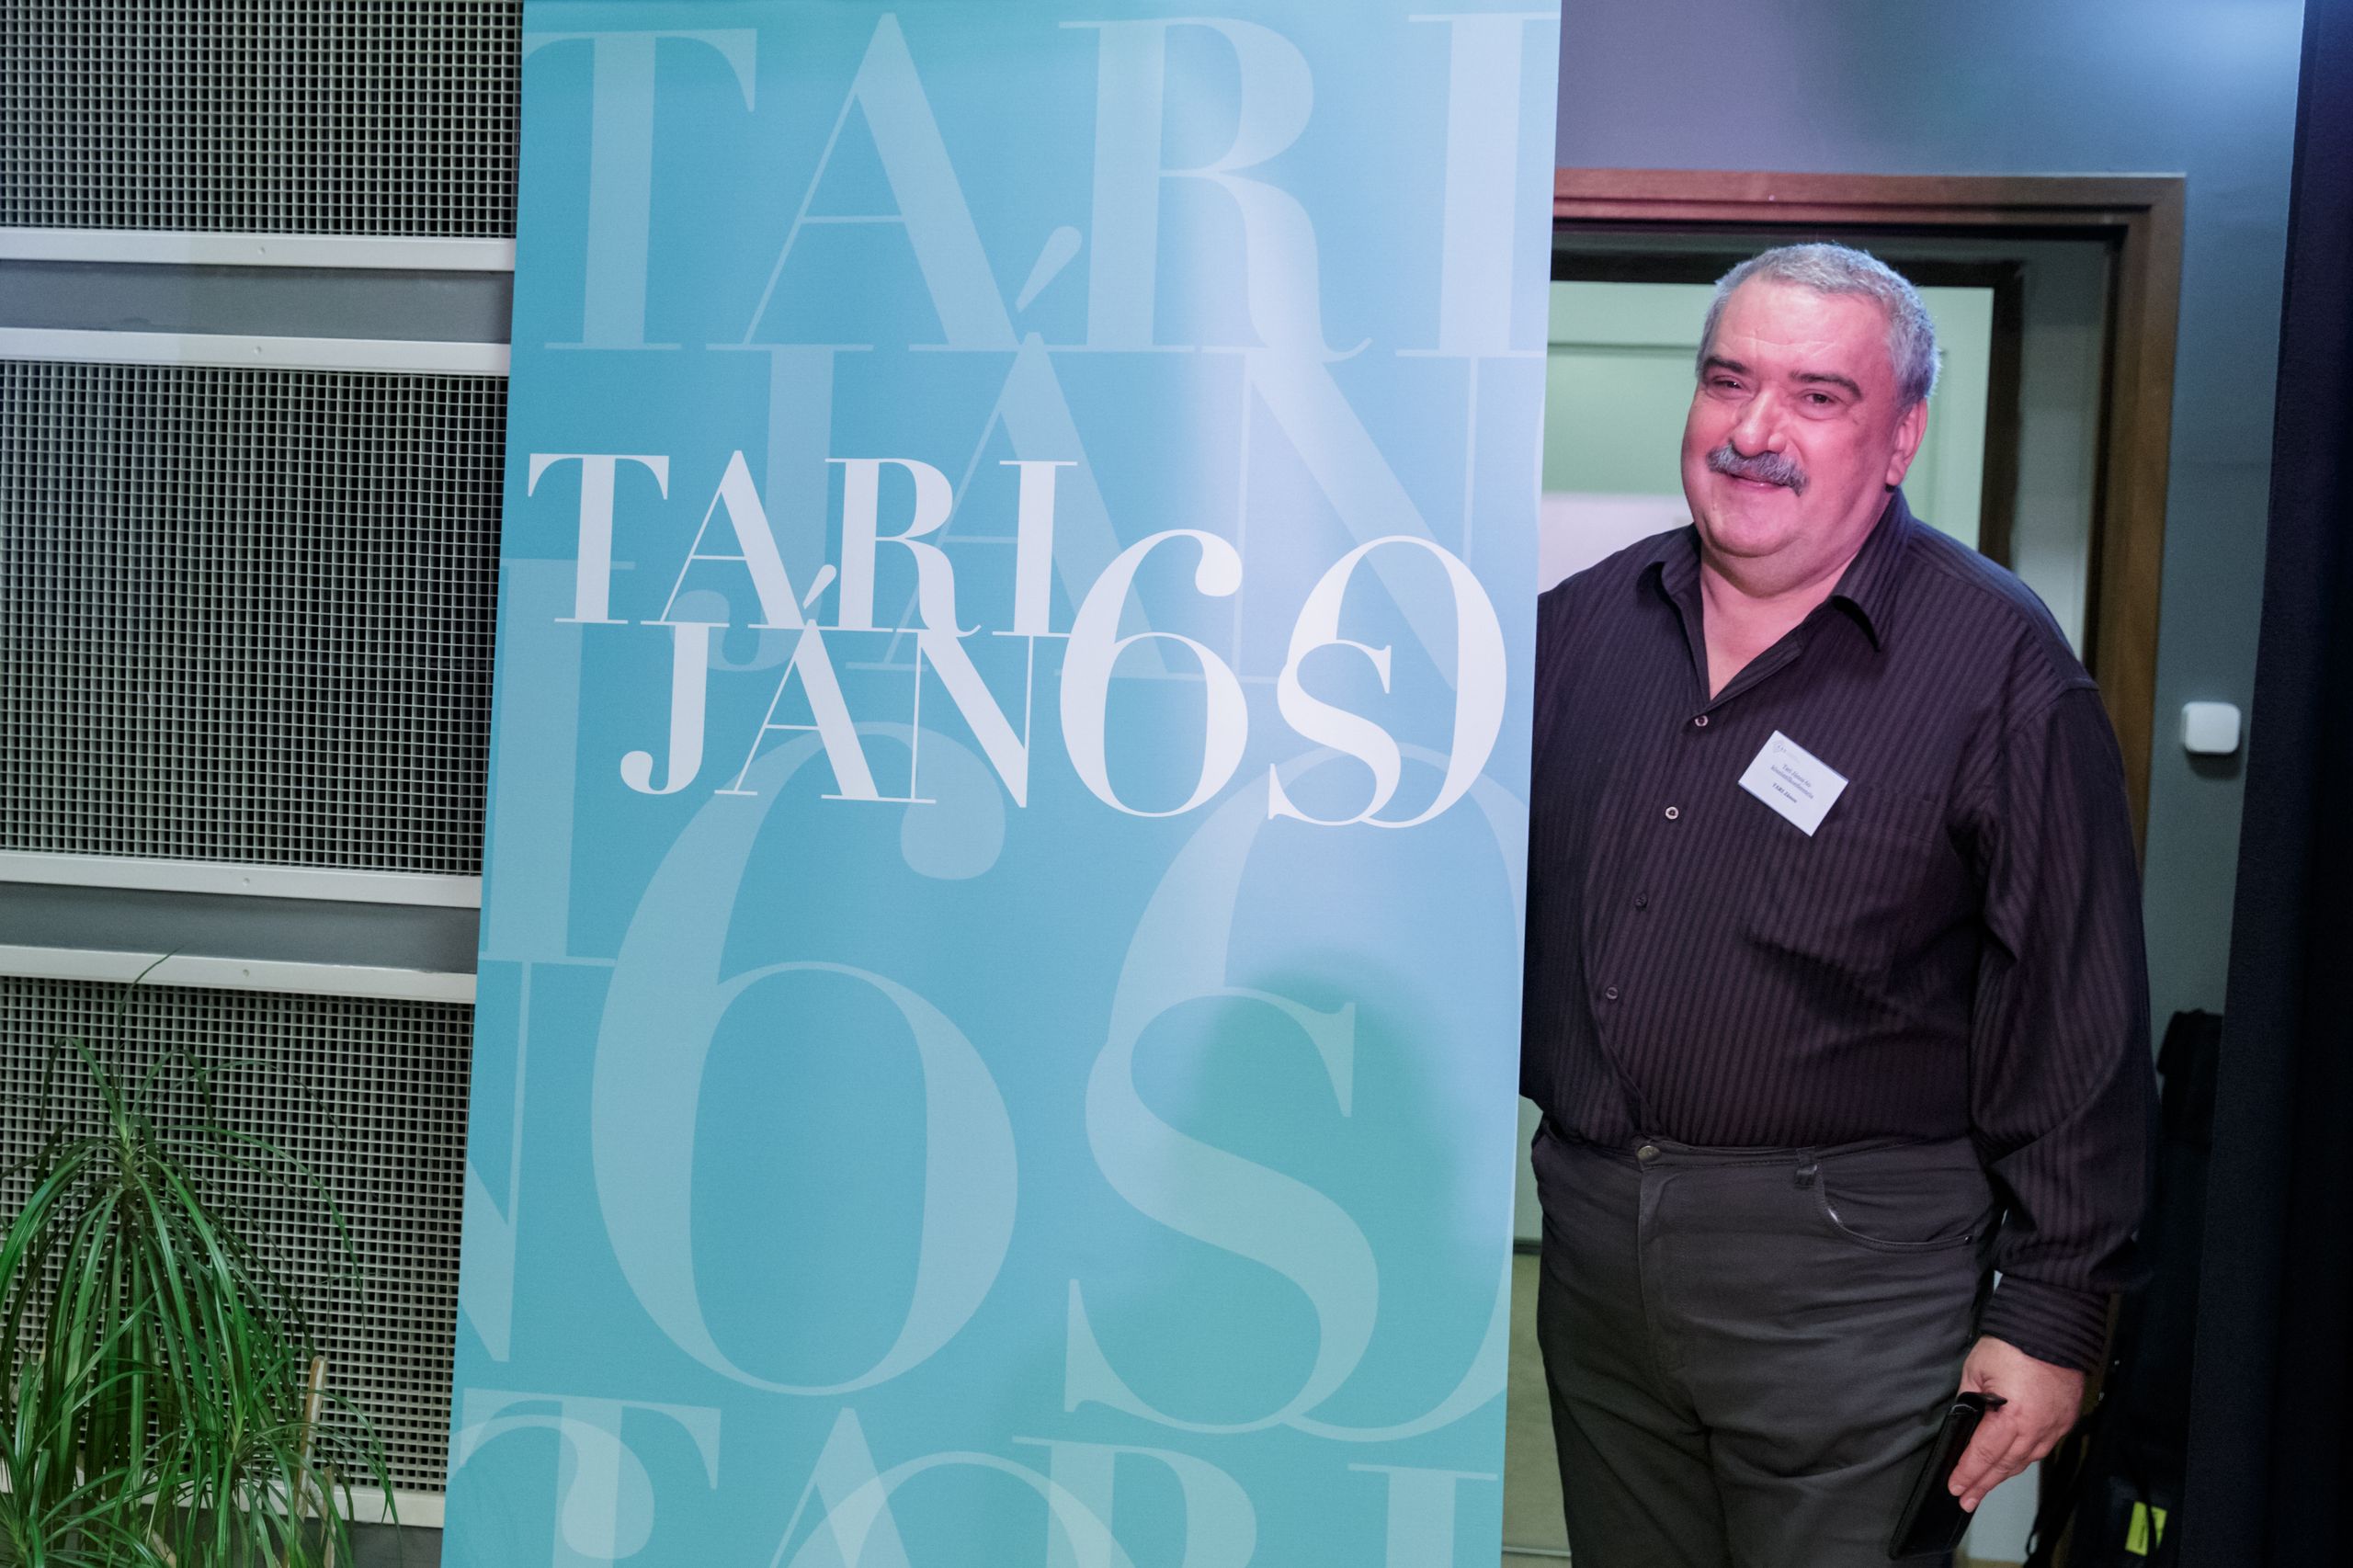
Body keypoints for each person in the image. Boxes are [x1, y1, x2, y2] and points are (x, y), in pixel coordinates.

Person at [1521, 242, 2154, 1566]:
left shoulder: (2000, 669)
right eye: (1728, 381)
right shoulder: (1573, 631)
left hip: (1855, 1281)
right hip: (1595, 1255)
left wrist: (2052, 1314)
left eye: (1817, 396)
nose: (1754, 432)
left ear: (1901, 434)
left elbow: (2075, 1015)